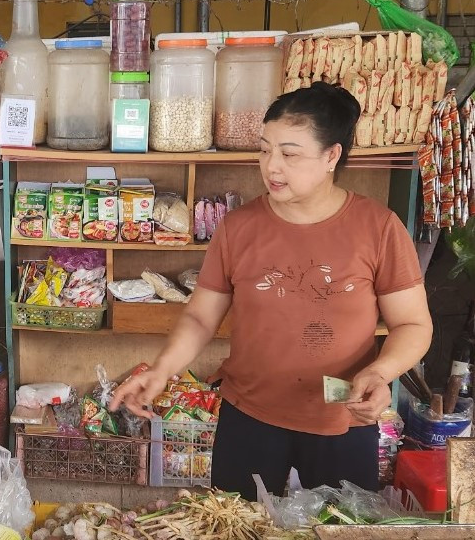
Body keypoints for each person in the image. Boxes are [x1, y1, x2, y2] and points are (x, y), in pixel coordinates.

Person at [111, 82, 432, 499]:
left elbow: (413, 324)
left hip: (342, 422)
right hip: (249, 418)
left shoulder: (378, 228)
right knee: (236, 526)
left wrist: (379, 372)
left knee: (337, 526)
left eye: (290, 153)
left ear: (332, 155)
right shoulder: (240, 227)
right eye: (265, 150)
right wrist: (160, 369)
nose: (271, 166)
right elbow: (199, 316)